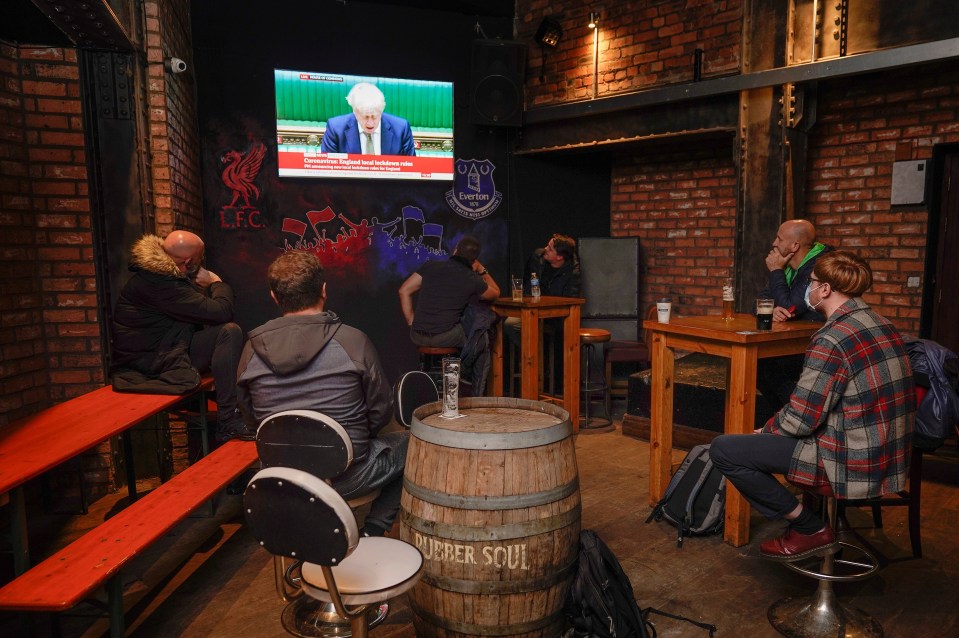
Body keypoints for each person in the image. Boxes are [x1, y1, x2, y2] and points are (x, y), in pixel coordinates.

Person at [709, 251, 914, 561]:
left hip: (852, 460)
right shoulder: (879, 322)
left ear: (826, 290)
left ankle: (810, 529)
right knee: (774, 430)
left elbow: (802, 418)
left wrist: (765, 430)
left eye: (812, 283)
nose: (809, 288)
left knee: (725, 449)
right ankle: (815, 522)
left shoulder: (832, 337)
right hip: (887, 454)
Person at [236, 250, 403, 537]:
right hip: (348, 477)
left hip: (282, 479)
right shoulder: (353, 341)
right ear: (324, 290)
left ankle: (305, 538)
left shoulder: (250, 349)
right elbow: (381, 410)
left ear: (274, 297)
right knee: (415, 444)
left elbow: (252, 420)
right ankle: (373, 530)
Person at [111, 230, 254, 442]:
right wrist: (216, 282)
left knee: (224, 335)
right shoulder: (160, 283)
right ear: (188, 261)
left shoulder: (160, 276)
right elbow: (220, 312)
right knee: (228, 331)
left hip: (164, 350)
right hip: (151, 362)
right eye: (200, 258)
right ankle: (227, 421)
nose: (202, 263)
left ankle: (230, 410)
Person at [757, 219, 833, 411]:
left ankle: (799, 415)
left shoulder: (819, 265)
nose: (774, 243)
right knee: (758, 365)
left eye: (779, 238)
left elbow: (792, 307)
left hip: (817, 342)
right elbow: (760, 301)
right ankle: (787, 418)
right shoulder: (789, 268)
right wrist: (771, 309)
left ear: (794, 245)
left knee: (765, 366)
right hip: (791, 339)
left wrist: (776, 271)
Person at [398, 235, 500, 348]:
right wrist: (482, 269)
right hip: (445, 337)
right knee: (476, 331)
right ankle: (465, 364)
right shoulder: (472, 278)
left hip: (416, 335)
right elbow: (495, 293)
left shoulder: (430, 266)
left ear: (455, 251)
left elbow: (404, 291)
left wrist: (411, 322)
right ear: (474, 260)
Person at [505, 234, 582, 345]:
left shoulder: (572, 273)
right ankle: (531, 358)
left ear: (559, 257)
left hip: (556, 316)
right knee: (510, 323)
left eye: (550, 249)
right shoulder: (537, 258)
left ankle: (537, 358)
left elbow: (572, 302)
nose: (545, 249)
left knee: (564, 333)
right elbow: (527, 286)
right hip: (532, 310)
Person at [320, 82, 416, 156]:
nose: (370, 123)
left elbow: (411, 168)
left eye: (375, 117)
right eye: (365, 117)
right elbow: (328, 170)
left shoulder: (401, 129)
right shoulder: (335, 129)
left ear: (381, 111)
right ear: (355, 112)